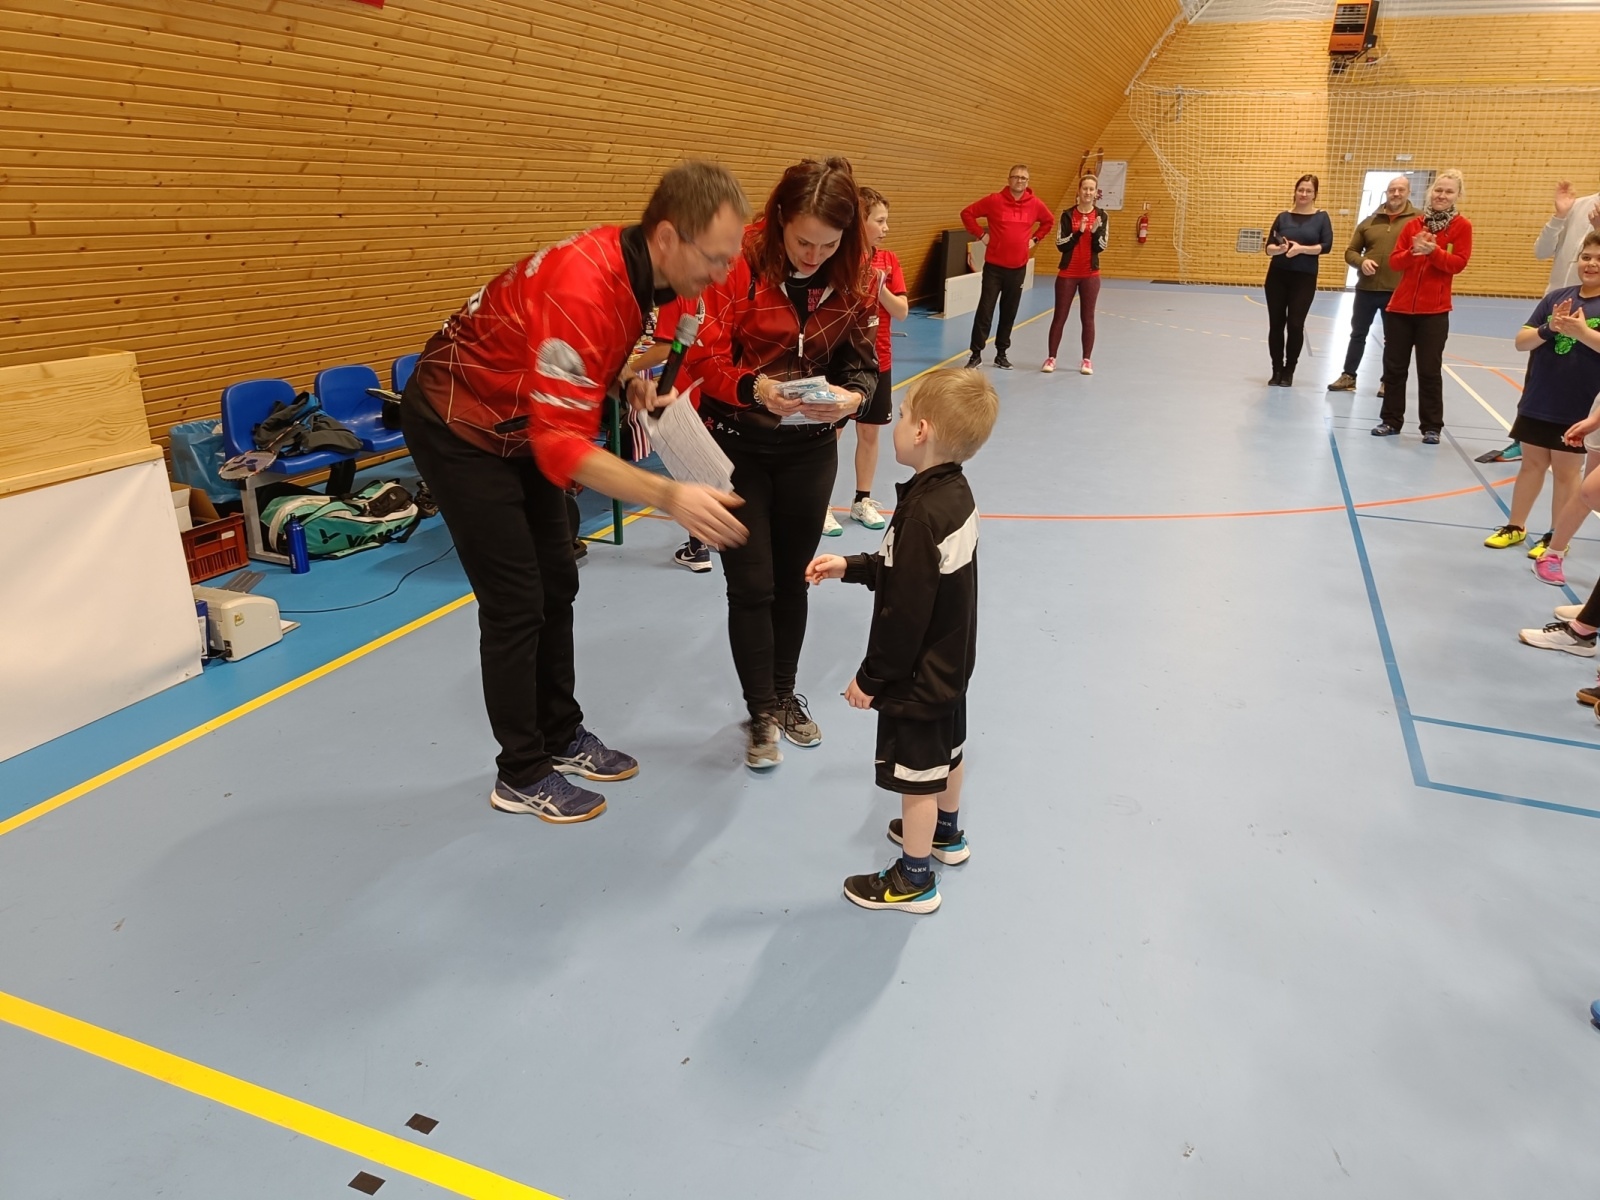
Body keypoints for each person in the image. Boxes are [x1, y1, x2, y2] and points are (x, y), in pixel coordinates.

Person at [401, 161, 750, 824]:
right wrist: (670, 495)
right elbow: (561, 447)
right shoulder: (585, 284)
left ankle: (560, 734)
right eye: (715, 257)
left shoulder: (641, 273)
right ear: (668, 237)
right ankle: (521, 772)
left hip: (519, 419)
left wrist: (623, 381)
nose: (722, 272)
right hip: (459, 422)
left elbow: (580, 356)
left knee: (557, 579)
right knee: (515, 601)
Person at [665, 157, 877, 768]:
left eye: (828, 245)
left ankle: (784, 695)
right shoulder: (736, 265)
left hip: (810, 453)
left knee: (792, 580)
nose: (814, 255)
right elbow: (705, 359)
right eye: (803, 241)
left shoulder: (853, 274)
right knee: (751, 585)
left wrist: (853, 397)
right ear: (780, 219)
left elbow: (863, 362)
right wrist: (755, 387)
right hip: (737, 449)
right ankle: (760, 710)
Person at [805, 368, 999, 913]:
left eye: (904, 413)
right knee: (948, 753)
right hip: (950, 668)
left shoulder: (921, 515)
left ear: (921, 431)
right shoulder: (953, 493)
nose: (897, 422)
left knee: (916, 780)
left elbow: (904, 614)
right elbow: (908, 573)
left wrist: (870, 679)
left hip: (916, 677)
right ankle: (947, 834)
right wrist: (850, 566)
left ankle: (914, 879)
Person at [1483, 232, 1600, 584]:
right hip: (1540, 398)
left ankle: (1554, 536)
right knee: (1531, 464)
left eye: (1599, 259)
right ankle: (1515, 526)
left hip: (1579, 405)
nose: (1591, 264)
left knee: (1566, 472)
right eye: (1587, 257)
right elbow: (1522, 342)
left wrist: (1581, 332)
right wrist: (1550, 327)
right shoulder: (1556, 298)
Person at [1373, 169, 1471, 444]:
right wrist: (1414, 251)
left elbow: (1458, 263)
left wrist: (1435, 252)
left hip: (1434, 312)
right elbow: (1395, 262)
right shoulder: (1413, 224)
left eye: (1449, 191)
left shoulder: (1462, 226)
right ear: (1430, 192)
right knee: (1394, 369)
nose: (1442, 195)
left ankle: (1431, 426)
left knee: (1429, 371)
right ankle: (1390, 420)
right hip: (1400, 309)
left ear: (1457, 195)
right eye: (1438, 190)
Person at [843, 186, 909, 534]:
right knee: (830, 434)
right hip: (841, 362)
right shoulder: (839, 259)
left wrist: (879, 286)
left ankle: (861, 500)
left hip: (878, 360)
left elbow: (901, 311)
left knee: (869, 432)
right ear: (861, 222)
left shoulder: (889, 260)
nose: (886, 228)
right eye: (880, 221)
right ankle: (819, 506)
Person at [961, 166, 1054, 370]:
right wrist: (981, 235)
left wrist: (1035, 239)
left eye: (1024, 178)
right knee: (985, 310)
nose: (1020, 181)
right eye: (1016, 177)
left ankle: (1001, 354)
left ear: (1028, 182)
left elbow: (1048, 221)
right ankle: (976, 354)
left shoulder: (1035, 204)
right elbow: (967, 214)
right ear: (1009, 179)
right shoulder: (994, 200)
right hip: (994, 268)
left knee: (1009, 312)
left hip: (1018, 269)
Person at [1328, 175, 1415, 393]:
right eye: (1392, 190)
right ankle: (1349, 376)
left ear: (1408, 192)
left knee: (1393, 339)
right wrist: (1362, 262)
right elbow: (1351, 252)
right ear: (1387, 192)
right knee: (1357, 334)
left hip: (1397, 292)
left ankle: (1388, 381)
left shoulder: (1418, 220)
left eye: (1401, 190)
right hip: (1366, 290)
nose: (1396, 194)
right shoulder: (1369, 222)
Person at [1261, 173, 1333, 387]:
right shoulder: (1283, 217)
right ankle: (1276, 369)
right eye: (1301, 189)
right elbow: (1268, 247)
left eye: (1308, 191)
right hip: (1277, 277)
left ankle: (1289, 370)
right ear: (1295, 191)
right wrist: (1279, 249)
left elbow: (1326, 246)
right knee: (1276, 324)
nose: (1304, 194)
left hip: (1304, 278)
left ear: (1315, 194)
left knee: (1295, 324)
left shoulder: (1321, 217)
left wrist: (1301, 249)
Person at [1043, 173, 1107, 376]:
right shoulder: (1067, 215)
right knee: (1059, 316)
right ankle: (1051, 358)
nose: (1088, 192)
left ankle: (1087, 360)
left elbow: (1101, 246)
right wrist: (1078, 232)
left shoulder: (1102, 216)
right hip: (1067, 274)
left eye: (1091, 189)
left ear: (1096, 193)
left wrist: (1095, 232)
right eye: (1085, 188)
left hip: (1090, 275)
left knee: (1088, 318)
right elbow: (1061, 245)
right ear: (1079, 191)